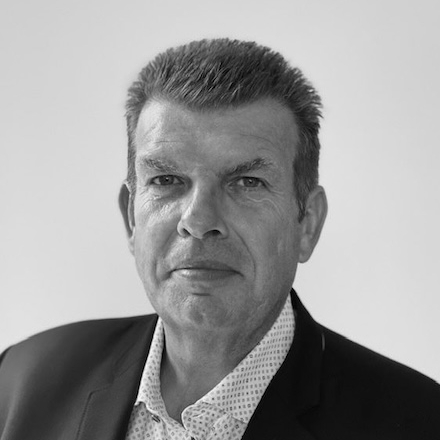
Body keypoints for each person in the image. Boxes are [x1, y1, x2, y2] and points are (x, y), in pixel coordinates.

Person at [0, 38, 439, 440]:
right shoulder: (21, 380)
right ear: (131, 217)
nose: (199, 221)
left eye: (247, 182)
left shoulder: (419, 420)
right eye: (167, 180)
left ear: (307, 223)